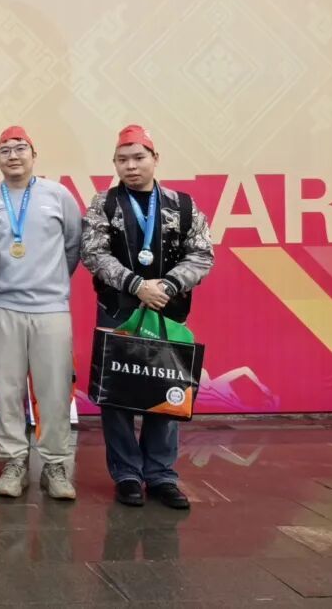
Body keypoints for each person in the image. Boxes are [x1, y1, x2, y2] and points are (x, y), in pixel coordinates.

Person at [81, 124, 214, 510]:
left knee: (167, 389)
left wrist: (167, 286)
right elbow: (93, 253)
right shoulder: (104, 204)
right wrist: (137, 285)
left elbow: (202, 255)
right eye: (122, 160)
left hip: (168, 313)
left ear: (155, 159)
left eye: (139, 158)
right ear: (114, 164)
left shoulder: (182, 205)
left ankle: (160, 476)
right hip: (118, 311)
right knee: (116, 395)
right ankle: (126, 475)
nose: (131, 166)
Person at [0, 126, 81, 501]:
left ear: (34, 155)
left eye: (20, 148)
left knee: (54, 390)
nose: (13, 155)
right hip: (4, 306)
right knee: (8, 390)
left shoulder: (58, 195)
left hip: (51, 309)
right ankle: (14, 461)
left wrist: (52, 282)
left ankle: (55, 465)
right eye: (5, 150)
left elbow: (73, 245)